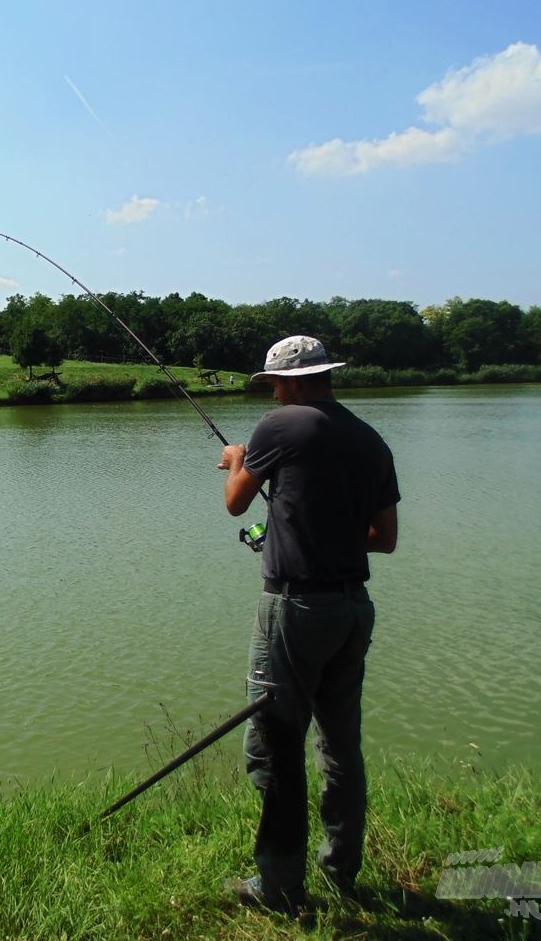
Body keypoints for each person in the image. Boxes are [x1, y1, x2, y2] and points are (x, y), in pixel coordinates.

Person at [217, 335, 400, 915]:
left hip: (294, 609)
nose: (272, 391)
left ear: (292, 382)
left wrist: (238, 461)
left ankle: (278, 888)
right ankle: (342, 870)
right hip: (352, 608)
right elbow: (384, 539)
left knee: (272, 747)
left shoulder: (281, 424)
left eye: (274, 382)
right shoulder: (371, 440)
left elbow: (235, 505)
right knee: (341, 746)